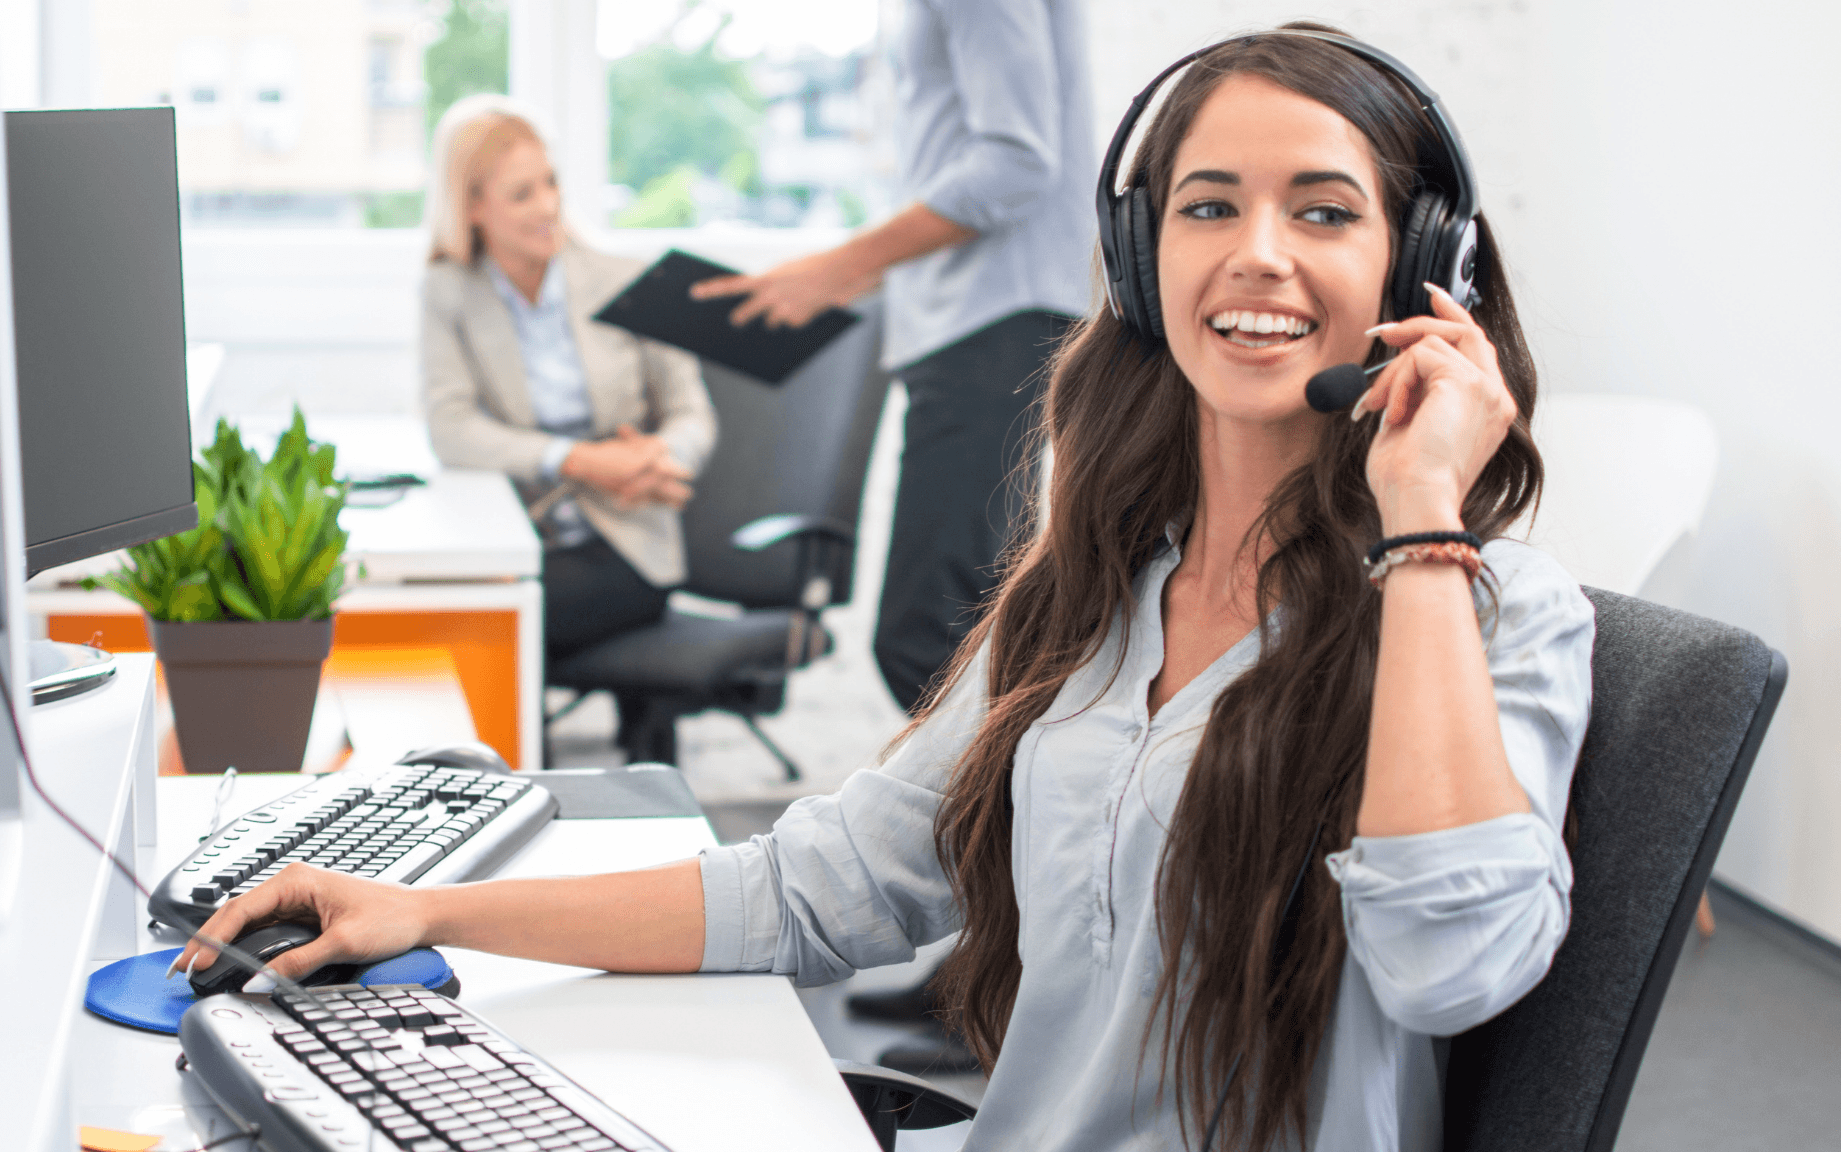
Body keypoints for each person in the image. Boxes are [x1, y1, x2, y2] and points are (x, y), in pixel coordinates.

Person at [182, 27, 1593, 1151]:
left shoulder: (1493, 615)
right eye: (1207, 204)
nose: (1257, 252)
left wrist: (1421, 527)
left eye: (1326, 211)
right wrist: (428, 914)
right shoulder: (1091, 592)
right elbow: (824, 888)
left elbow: (1448, 966)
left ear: (1418, 266)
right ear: (1138, 258)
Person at [691, 0, 1096, 716]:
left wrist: (837, 267)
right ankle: (1001, 817)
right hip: (979, 322)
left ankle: (1008, 818)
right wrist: (839, 277)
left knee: (929, 638)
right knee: (969, 630)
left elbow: (1016, 164)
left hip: (993, 320)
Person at [419, 95, 716, 673]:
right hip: (519, 540)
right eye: (522, 194)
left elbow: (691, 414)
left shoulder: (628, 281)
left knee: (492, 627)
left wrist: (656, 458)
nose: (548, 205)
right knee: (462, 607)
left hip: (625, 546)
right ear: (472, 206)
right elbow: (449, 428)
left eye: (550, 183)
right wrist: (577, 460)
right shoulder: (448, 293)